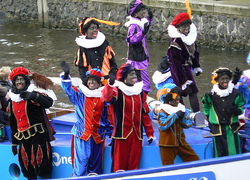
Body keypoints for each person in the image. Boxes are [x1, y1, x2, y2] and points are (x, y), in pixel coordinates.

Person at [60, 62, 113, 176]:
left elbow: (106, 117)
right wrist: (66, 76)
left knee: (96, 169)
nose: (91, 82)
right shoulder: (79, 94)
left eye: (94, 80)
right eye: (90, 79)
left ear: (99, 83)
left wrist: (111, 133)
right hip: (82, 135)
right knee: (81, 166)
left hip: (97, 137)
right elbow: (68, 89)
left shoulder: (103, 98)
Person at [101, 63, 155, 172]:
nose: (134, 76)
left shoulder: (141, 93)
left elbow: (145, 114)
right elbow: (106, 97)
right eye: (131, 74)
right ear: (124, 78)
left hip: (137, 136)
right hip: (121, 136)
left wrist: (149, 133)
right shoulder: (117, 91)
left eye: (135, 73)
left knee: (133, 167)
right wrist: (109, 84)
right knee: (118, 167)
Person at [8, 67, 54, 179]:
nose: (19, 82)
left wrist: (33, 96)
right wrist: (14, 143)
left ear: (26, 81)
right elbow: (13, 123)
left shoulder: (34, 94)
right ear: (14, 82)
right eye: (17, 80)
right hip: (22, 137)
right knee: (26, 165)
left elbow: (49, 103)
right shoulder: (12, 100)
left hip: (38, 136)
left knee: (41, 161)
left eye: (21, 79)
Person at [202, 67, 245, 157]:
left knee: (233, 153)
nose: (225, 81)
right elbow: (206, 105)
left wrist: (236, 111)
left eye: (227, 78)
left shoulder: (236, 93)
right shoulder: (210, 94)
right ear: (217, 80)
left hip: (231, 129)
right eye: (222, 79)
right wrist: (208, 117)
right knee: (219, 154)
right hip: (217, 129)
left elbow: (241, 107)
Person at [155, 83, 199, 165]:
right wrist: (175, 115)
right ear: (168, 97)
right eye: (175, 96)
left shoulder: (181, 108)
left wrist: (185, 118)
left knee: (194, 160)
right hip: (167, 144)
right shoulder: (163, 110)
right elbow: (162, 126)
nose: (178, 98)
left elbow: (187, 125)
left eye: (179, 95)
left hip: (181, 142)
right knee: (167, 167)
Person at [167, 12, 203, 112]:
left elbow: (195, 52)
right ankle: (183, 113)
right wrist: (183, 80)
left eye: (188, 26)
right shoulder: (176, 42)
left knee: (192, 91)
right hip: (178, 69)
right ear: (178, 28)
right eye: (184, 26)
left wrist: (196, 66)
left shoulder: (190, 38)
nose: (186, 28)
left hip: (187, 67)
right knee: (182, 91)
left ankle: (196, 115)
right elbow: (175, 63)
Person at [74, 17, 119, 85]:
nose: (95, 30)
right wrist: (86, 83)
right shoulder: (83, 48)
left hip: (107, 80)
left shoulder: (104, 43)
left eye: (96, 28)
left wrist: (113, 75)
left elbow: (112, 62)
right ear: (86, 31)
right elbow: (82, 69)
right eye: (92, 28)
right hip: (92, 82)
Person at [125, 0, 153, 93]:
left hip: (141, 58)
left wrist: (150, 18)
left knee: (142, 84)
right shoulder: (133, 25)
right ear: (135, 13)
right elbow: (131, 40)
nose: (143, 12)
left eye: (143, 9)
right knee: (144, 85)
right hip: (137, 60)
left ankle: (141, 101)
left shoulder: (139, 22)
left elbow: (145, 27)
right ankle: (141, 102)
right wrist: (142, 33)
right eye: (141, 10)